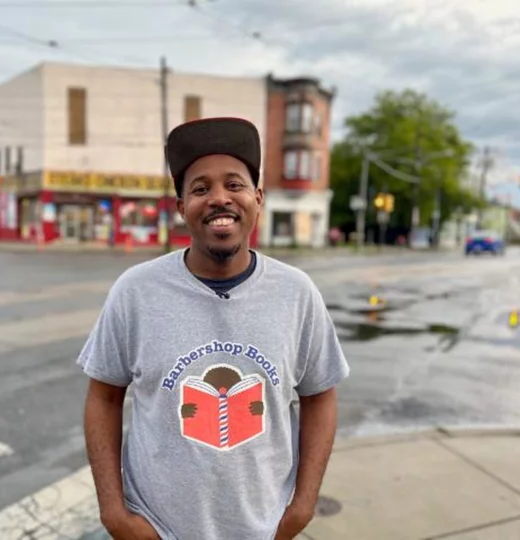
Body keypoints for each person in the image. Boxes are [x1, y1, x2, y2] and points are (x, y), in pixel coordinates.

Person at [78, 117, 350, 540]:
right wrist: (114, 514)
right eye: (201, 188)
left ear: (257, 199)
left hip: (262, 528)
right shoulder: (136, 291)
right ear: (181, 206)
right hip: (156, 528)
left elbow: (320, 397)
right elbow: (103, 398)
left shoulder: (296, 293)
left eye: (235, 185)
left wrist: (302, 506)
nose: (219, 199)